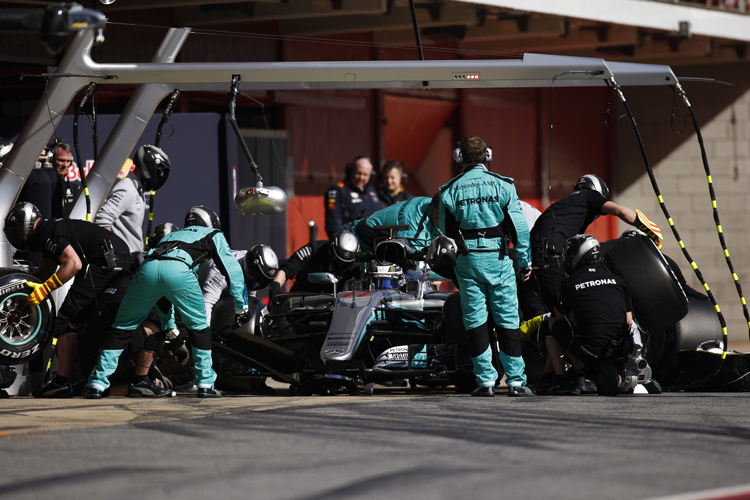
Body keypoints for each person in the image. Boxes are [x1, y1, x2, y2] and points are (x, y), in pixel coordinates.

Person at [87, 206, 246, 399]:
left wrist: (169, 325)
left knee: (122, 327)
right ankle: (205, 383)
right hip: (180, 269)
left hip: (147, 268)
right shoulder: (213, 234)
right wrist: (240, 305)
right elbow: (232, 270)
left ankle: (97, 383)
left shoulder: (172, 236)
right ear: (211, 223)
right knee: (199, 328)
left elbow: (163, 294)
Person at [3, 202, 133, 398]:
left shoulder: (45, 231)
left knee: (65, 320)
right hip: (117, 260)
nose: (19, 238)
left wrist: (44, 289)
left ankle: (63, 382)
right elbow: (44, 274)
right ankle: (80, 377)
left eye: (18, 233)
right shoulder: (50, 230)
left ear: (25, 225)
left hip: (104, 262)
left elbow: (73, 264)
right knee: (88, 322)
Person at [438, 136, 533, 397]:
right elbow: (520, 230)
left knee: (475, 321)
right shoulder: (504, 185)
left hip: (467, 262)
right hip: (500, 260)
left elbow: (443, 234)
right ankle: (515, 382)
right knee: (507, 319)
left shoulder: (449, 189)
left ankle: (486, 382)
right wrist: (524, 262)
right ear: (487, 156)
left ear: (459, 158)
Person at [530, 174, 662, 313]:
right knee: (568, 315)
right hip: (553, 256)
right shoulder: (590, 195)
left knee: (555, 313)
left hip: (537, 259)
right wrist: (647, 227)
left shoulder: (565, 204)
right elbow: (621, 211)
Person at [542, 234, 634, 397]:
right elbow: (628, 321)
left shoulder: (569, 283)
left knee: (551, 323)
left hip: (590, 349)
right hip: (620, 348)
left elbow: (560, 317)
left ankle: (567, 378)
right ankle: (610, 375)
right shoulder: (617, 280)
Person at [94, 145, 170, 254]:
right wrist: (113, 254)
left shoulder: (136, 189)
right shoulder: (127, 188)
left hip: (132, 261)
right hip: (124, 262)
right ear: (148, 168)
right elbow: (102, 220)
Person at [269, 231, 360, 297]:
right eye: (338, 261)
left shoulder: (358, 266)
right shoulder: (314, 250)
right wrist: (275, 287)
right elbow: (287, 269)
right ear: (330, 251)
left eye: (345, 264)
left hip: (339, 308)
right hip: (302, 300)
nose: (340, 266)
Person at [353, 195, 440, 252]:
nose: (446, 217)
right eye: (442, 213)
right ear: (432, 209)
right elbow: (415, 267)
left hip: (366, 223)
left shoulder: (428, 201)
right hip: (363, 237)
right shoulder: (416, 230)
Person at [324, 155, 382, 238]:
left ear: (371, 176)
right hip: (350, 242)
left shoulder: (372, 191)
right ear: (350, 171)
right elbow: (333, 226)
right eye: (358, 173)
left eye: (365, 175)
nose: (361, 178)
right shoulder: (338, 190)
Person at [46, 141, 80, 218]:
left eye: (68, 161)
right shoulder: (42, 186)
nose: (65, 165)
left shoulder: (74, 188)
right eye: (61, 160)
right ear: (51, 159)